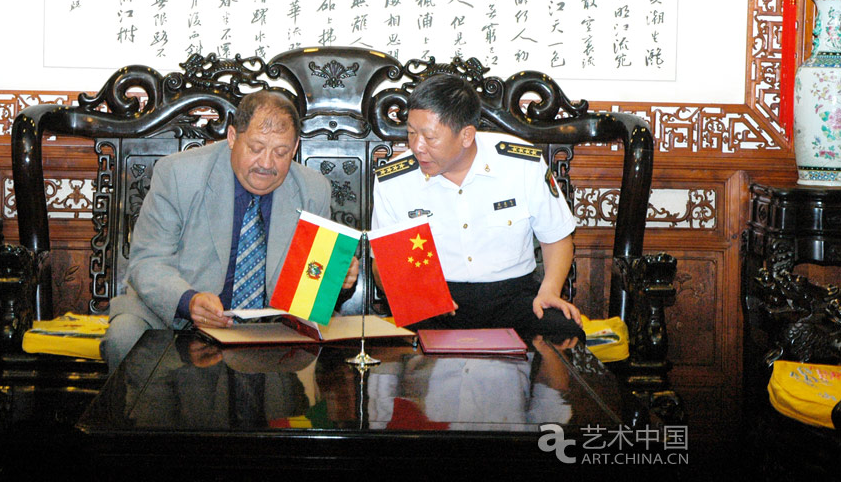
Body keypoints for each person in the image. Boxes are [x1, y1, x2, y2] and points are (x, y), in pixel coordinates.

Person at [103, 90, 359, 369]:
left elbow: (309, 288)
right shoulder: (178, 174)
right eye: (256, 148)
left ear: (295, 147)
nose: (266, 163)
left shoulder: (312, 190)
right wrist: (189, 301)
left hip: (270, 328)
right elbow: (147, 262)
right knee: (124, 335)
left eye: (281, 152)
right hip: (175, 316)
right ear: (233, 137)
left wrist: (336, 281)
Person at [371, 74, 583, 341]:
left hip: (513, 299)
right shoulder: (394, 179)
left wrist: (550, 291)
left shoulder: (522, 164)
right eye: (411, 134)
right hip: (436, 303)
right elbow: (383, 265)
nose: (417, 147)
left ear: (466, 135)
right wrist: (416, 296)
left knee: (566, 333)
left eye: (429, 137)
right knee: (399, 346)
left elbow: (557, 237)